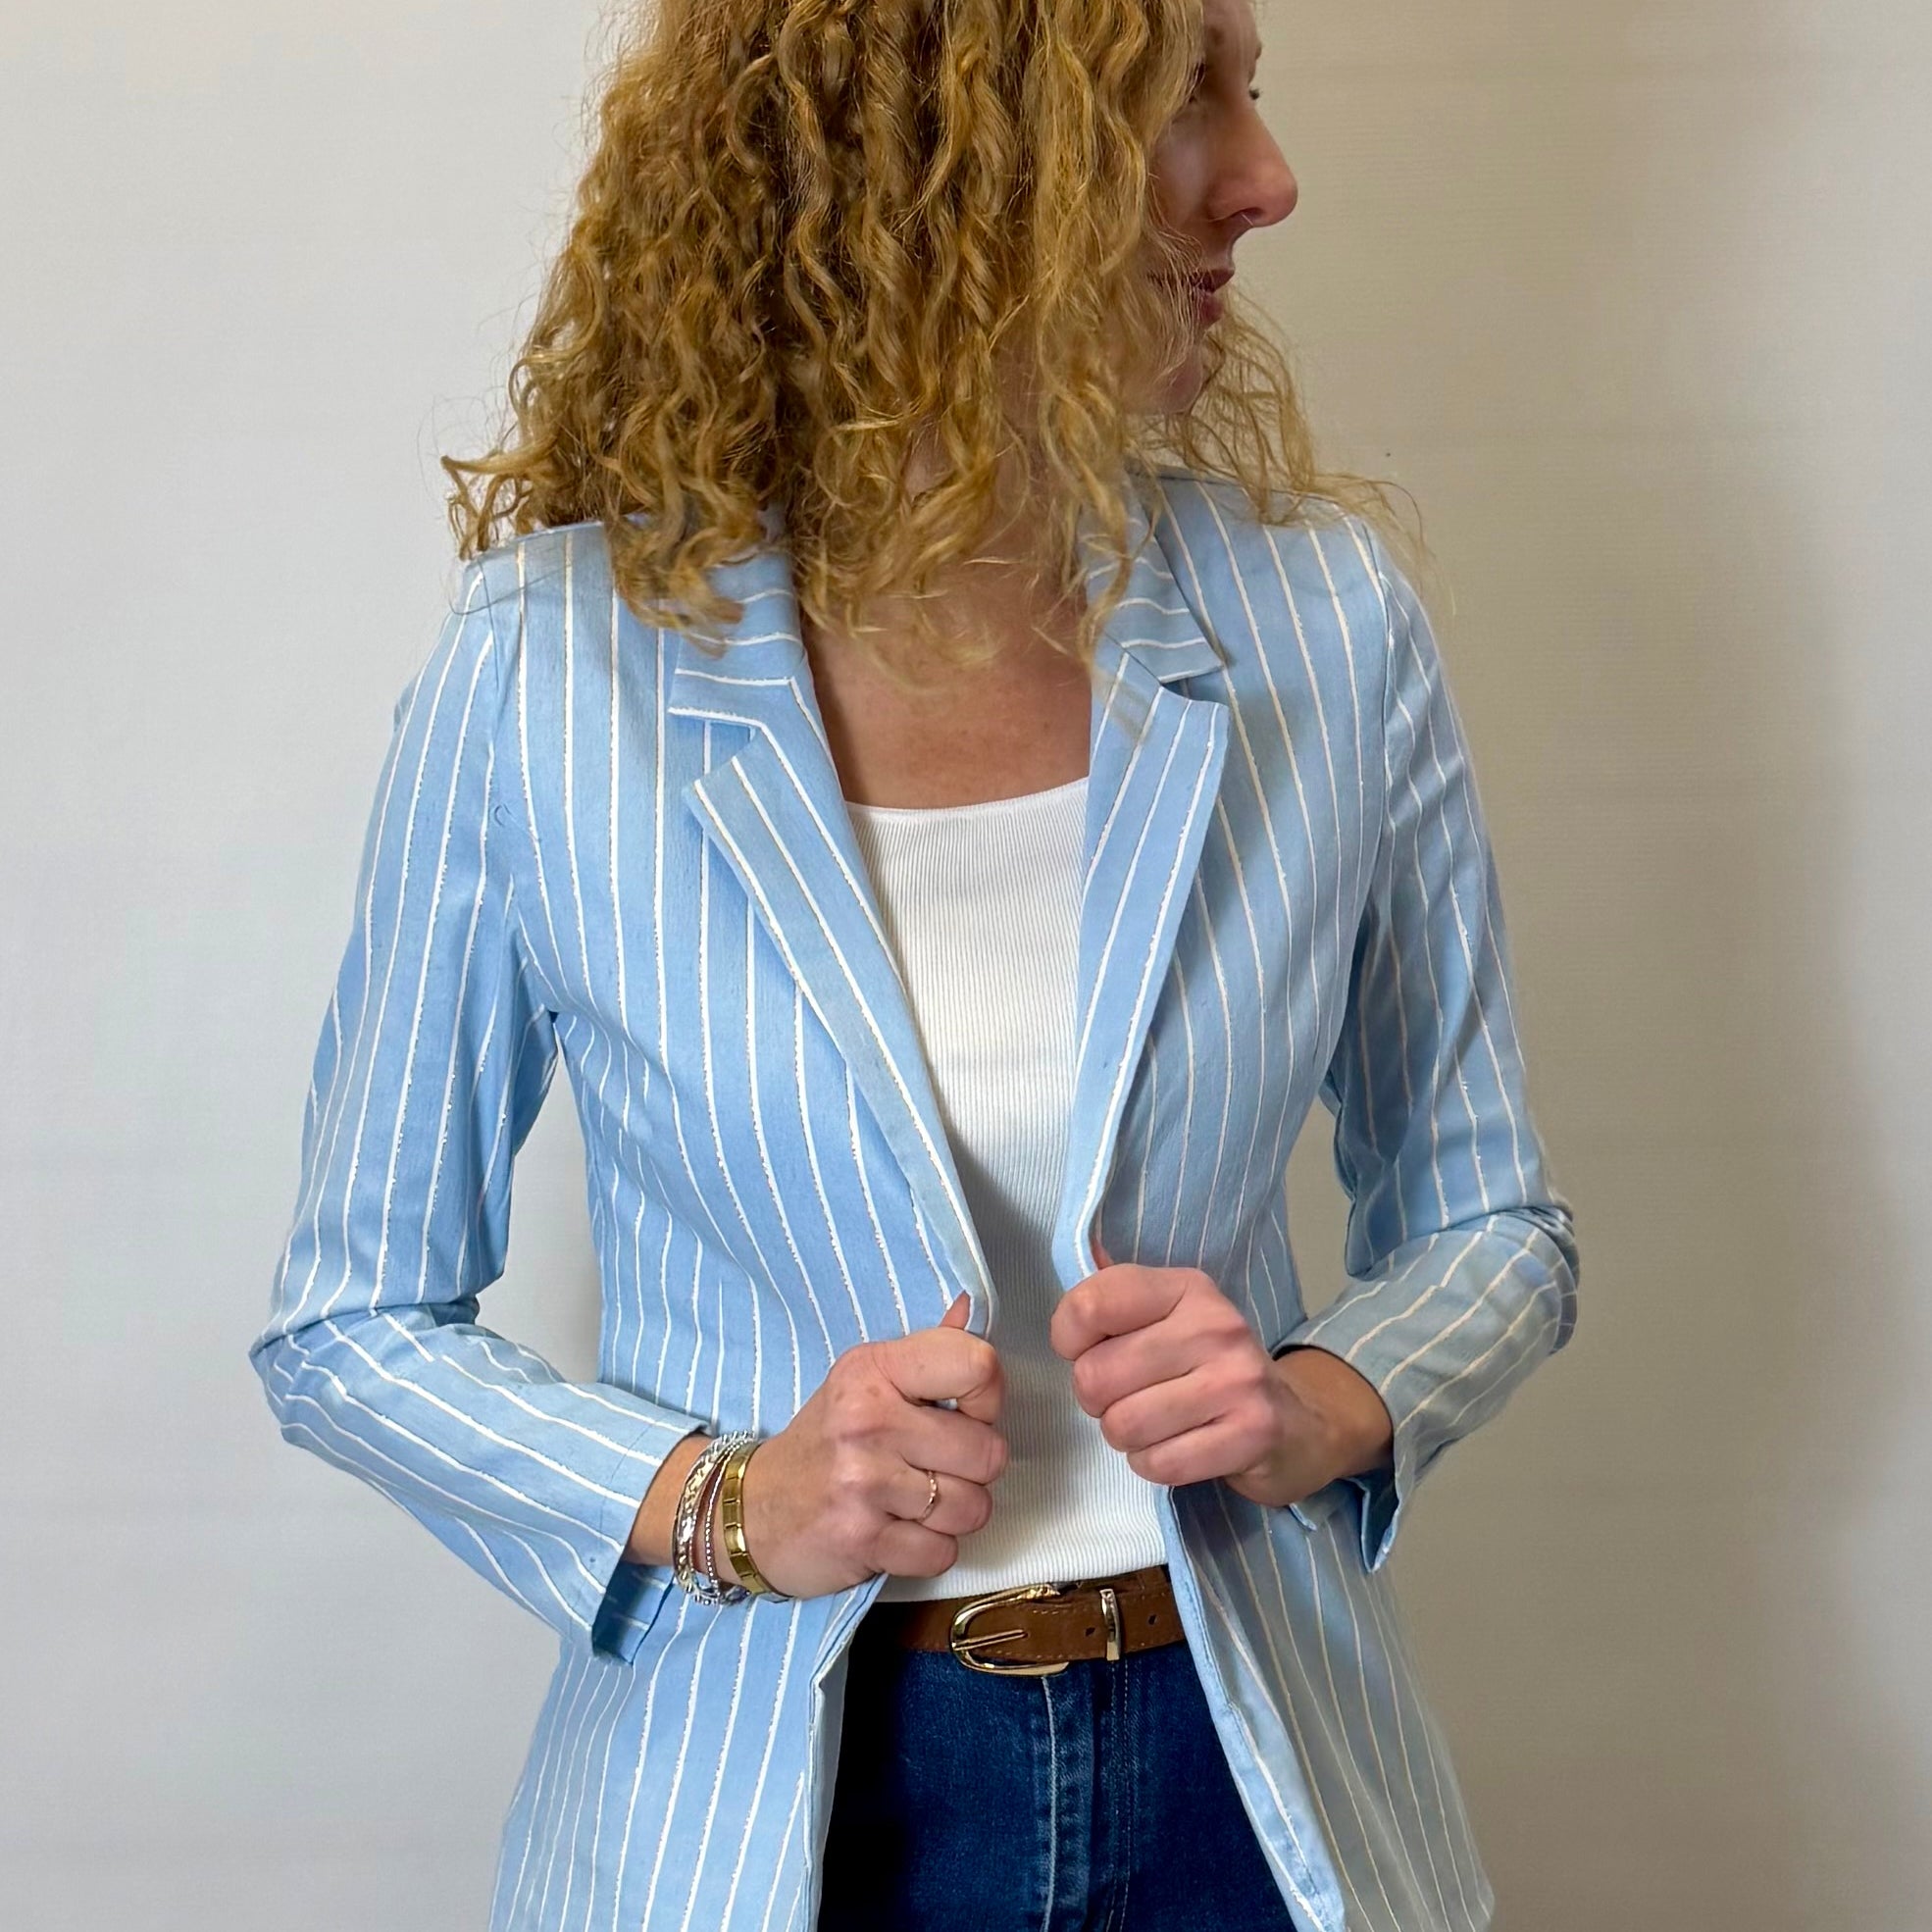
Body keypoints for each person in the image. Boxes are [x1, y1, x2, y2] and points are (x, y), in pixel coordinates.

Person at [248, 0, 1579, 1927]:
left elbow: (1492, 1224)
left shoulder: (1323, 625)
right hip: (765, 1812)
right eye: (1173, 98)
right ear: (938, 160)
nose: (1264, 180)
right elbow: (348, 1322)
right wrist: (722, 1498)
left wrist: (1325, 1400)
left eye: (1249, 89)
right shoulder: (550, 671)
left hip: (1255, 1789)